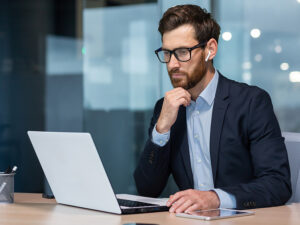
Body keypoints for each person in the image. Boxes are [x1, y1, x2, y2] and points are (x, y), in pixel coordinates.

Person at [134, 4, 292, 213]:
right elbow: (146, 189)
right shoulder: (166, 108)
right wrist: (161, 130)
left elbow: (278, 184)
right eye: (167, 53)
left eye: (182, 52)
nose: (172, 64)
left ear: (210, 49)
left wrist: (215, 198)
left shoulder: (251, 102)